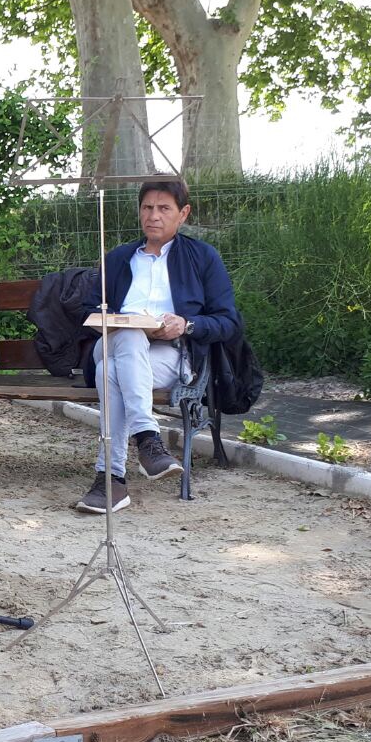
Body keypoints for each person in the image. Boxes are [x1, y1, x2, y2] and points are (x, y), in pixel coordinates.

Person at [76, 178, 240, 515]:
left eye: (164, 208)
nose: (153, 215)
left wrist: (186, 323)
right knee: (129, 336)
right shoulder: (120, 257)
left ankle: (111, 480)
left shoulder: (202, 257)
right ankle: (148, 440)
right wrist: (117, 321)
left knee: (111, 373)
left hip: (170, 355)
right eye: (147, 208)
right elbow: (89, 309)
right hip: (111, 344)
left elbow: (228, 321)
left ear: (183, 214)